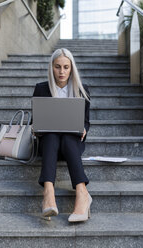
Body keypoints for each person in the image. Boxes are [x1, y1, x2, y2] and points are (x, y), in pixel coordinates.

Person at [32, 48, 92, 222]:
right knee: (51, 136)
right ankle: (48, 192)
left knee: (67, 137)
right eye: (58, 67)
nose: (62, 72)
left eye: (66, 67)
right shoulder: (41, 89)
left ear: (72, 68)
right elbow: (36, 120)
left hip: (71, 144)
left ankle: (82, 193)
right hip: (49, 144)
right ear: (51, 67)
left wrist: (84, 128)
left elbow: (86, 121)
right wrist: (35, 127)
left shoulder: (82, 89)